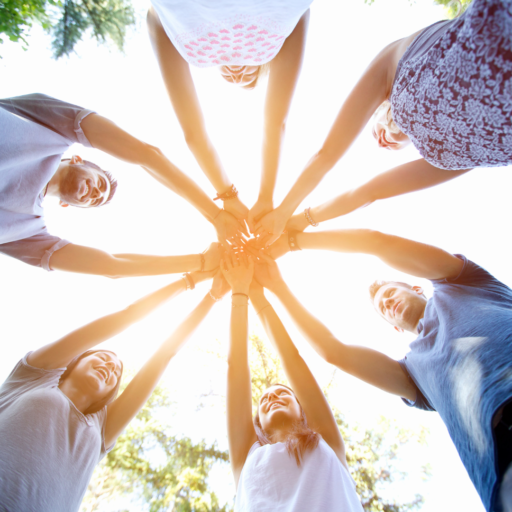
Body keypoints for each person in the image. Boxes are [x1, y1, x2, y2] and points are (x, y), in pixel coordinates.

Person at [247, 230, 512, 512]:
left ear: (417, 288)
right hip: (501, 461)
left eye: (389, 294)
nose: (386, 303)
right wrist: (276, 286)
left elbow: (378, 243)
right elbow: (333, 351)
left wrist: (293, 239)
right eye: (382, 309)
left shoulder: (463, 282)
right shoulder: (414, 374)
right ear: (395, 327)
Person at [253, 0, 512, 245]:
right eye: (398, 147)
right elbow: (368, 193)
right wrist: (296, 224)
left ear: (378, 110)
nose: (382, 142)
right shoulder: (456, 160)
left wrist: (284, 210)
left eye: (373, 130)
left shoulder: (391, 64)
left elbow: (327, 155)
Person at [0, 267, 230, 512]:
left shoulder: (102, 429)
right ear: (76, 360)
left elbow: (164, 355)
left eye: (117, 372)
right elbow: (126, 315)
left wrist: (212, 297)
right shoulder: (35, 375)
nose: (111, 366)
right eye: (103, 357)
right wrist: (191, 279)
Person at [0, 93, 244, 275]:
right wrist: (215, 214)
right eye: (100, 184)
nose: (95, 194)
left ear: (67, 205)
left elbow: (112, 266)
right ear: (78, 159)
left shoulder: (26, 230)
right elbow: (148, 156)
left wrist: (200, 262)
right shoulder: (54, 131)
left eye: (95, 201)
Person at [146, 0, 312, 232]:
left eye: (230, 78)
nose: (236, 75)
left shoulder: (194, 51)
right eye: (250, 74)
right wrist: (265, 197)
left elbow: (194, 134)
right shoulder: (275, 41)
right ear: (265, 64)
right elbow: (275, 123)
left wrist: (228, 196)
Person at [220, 250, 363, 511]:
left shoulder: (326, 440)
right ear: (258, 425)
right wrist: (239, 291)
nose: (272, 396)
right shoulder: (246, 456)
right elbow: (236, 368)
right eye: (264, 398)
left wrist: (257, 295)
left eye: (283, 393)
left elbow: (291, 358)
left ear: (302, 409)